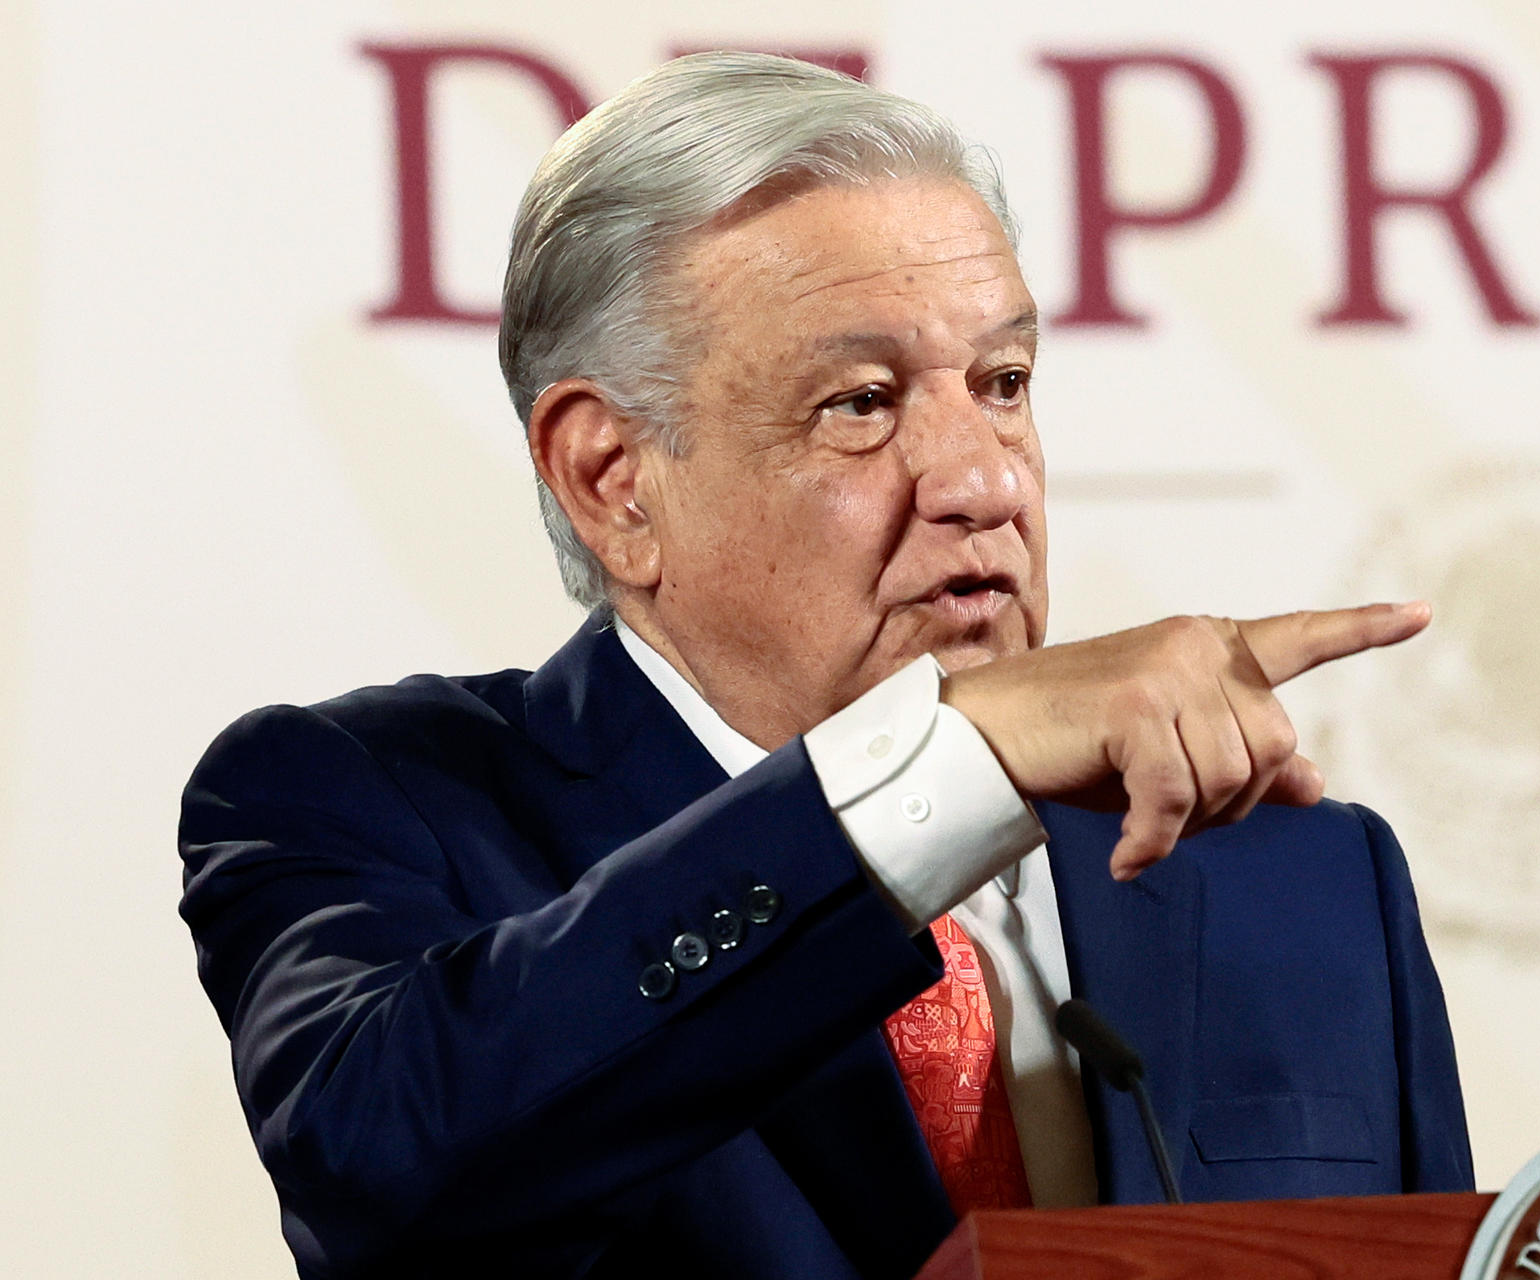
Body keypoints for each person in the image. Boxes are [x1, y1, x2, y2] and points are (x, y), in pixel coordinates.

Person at [179, 51, 1471, 1280]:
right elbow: (387, 1182)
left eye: (1004, 381)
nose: (982, 481)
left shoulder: (1302, 876)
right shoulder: (370, 805)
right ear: (611, 478)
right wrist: (949, 767)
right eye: (861, 402)